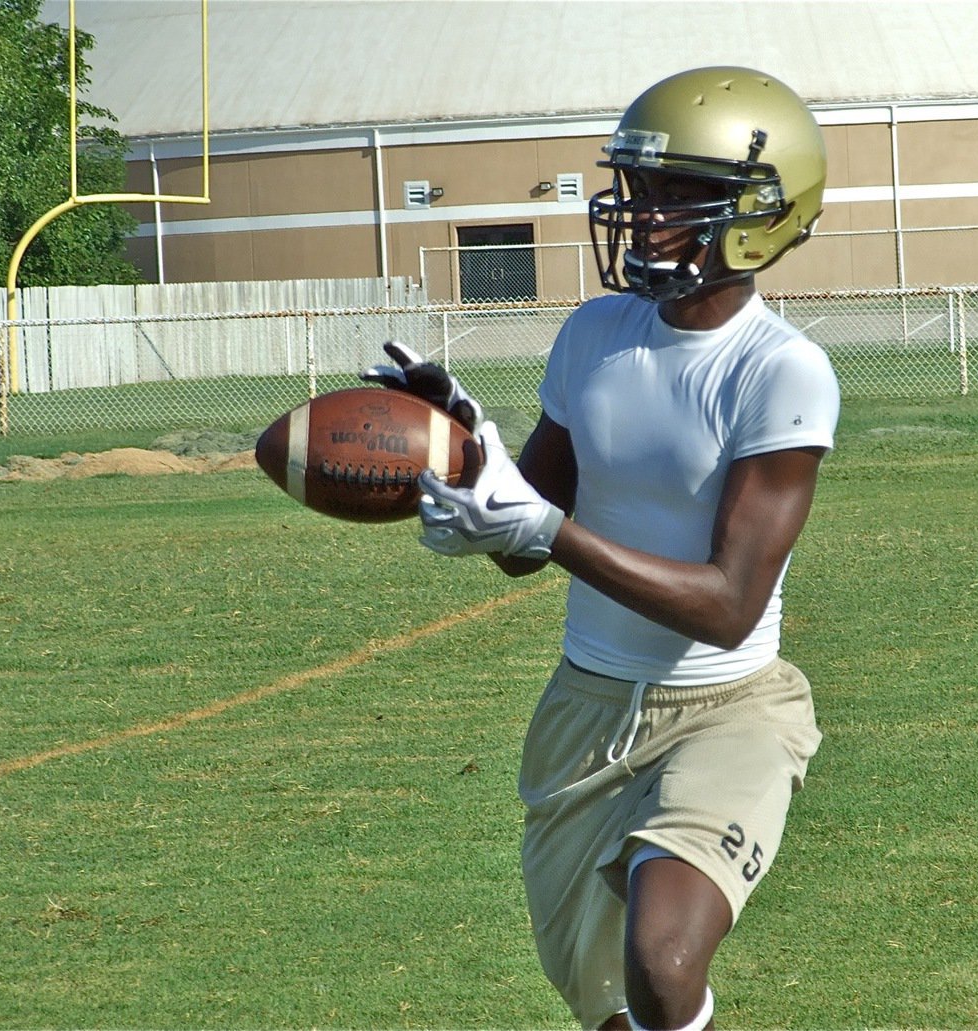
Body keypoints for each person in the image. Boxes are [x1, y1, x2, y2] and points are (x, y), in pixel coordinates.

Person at [364, 66, 839, 1031]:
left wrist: (548, 529)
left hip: (730, 706)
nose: (643, 214)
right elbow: (524, 545)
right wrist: (467, 458)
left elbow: (729, 601)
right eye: (638, 188)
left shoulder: (781, 370)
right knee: (615, 1012)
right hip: (586, 713)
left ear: (763, 212)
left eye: (678, 194)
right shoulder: (593, 336)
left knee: (662, 963)